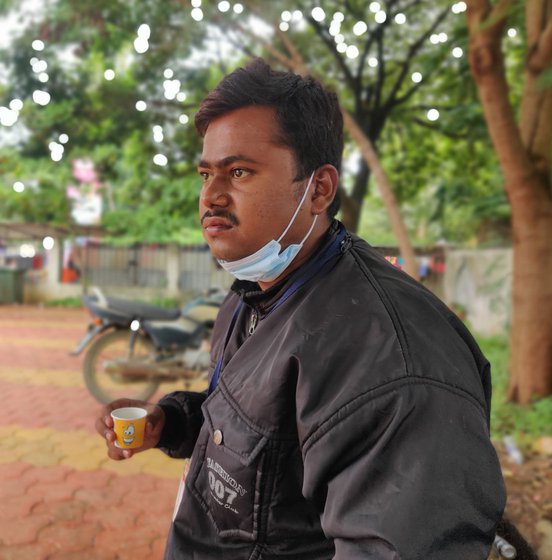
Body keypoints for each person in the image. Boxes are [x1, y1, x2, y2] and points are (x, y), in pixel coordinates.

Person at [96, 58, 506, 559]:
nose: (211, 197)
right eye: (206, 173)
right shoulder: (256, 287)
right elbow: (259, 424)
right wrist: (174, 421)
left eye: (239, 171)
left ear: (319, 189)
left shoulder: (391, 362)